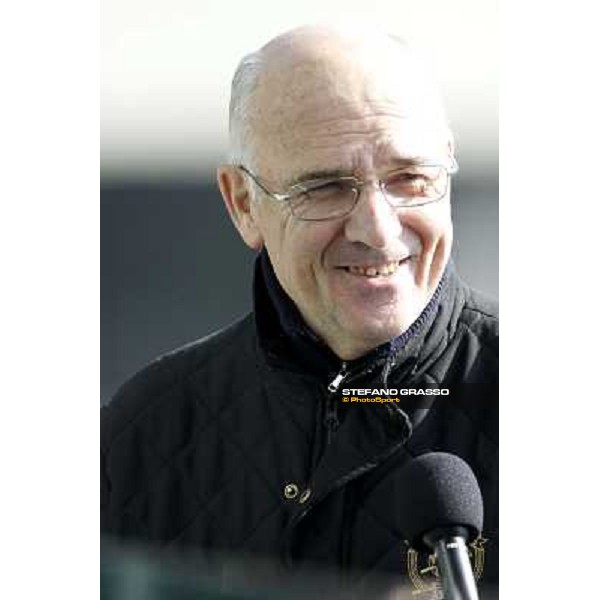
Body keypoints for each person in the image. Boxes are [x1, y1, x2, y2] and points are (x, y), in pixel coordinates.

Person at [101, 24, 498, 595]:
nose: (379, 232)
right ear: (243, 204)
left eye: (410, 178)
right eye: (327, 188)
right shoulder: (143, 435)